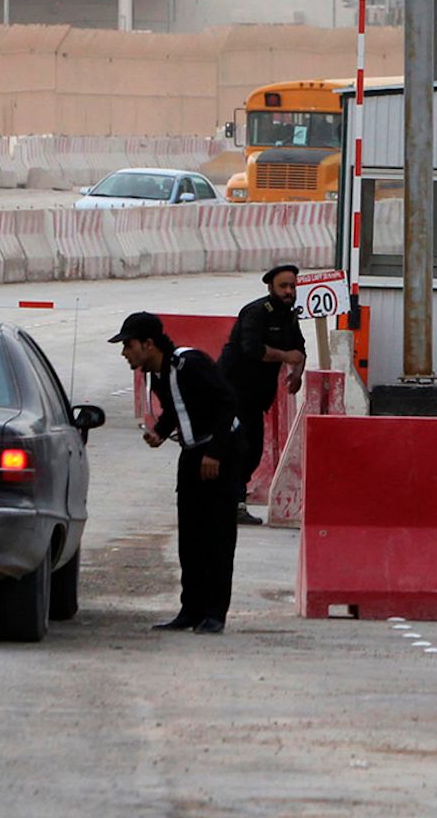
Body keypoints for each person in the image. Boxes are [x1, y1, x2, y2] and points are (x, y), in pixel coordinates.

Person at [111, 310, 242, 635]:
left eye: (128, 345)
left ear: (148, 343)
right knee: (191, 536)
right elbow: (177, 408)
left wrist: (214, 453)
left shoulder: (190, 363)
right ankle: (191, 610)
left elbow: (227, 402)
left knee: (218, 536)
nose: (124, 353)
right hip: (193, 452)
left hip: (222, 450)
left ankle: (215, 614)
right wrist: (160, 431)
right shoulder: (158, 375)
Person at [219, 264, 309, 527]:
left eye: (293, 286)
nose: (289, 291)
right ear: (271, 288)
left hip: (256, 396)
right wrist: (284, 357)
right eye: (284, 286)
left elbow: (299, 348)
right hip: (233, 390)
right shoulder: (256, 313)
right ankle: (232, 504)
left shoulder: (288, 316)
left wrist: (297, 372)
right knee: (238, 449)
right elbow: (251, 349)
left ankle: (233, 501)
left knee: (253, 451)